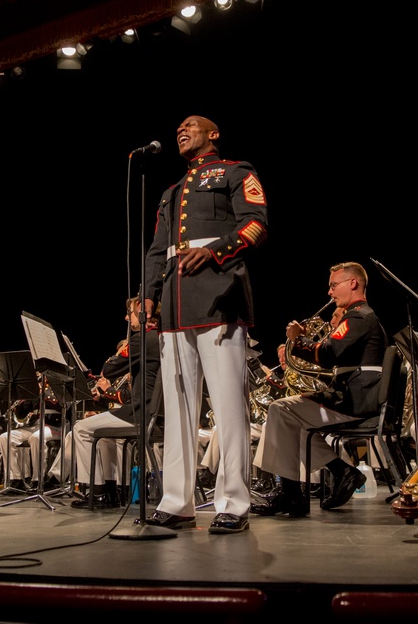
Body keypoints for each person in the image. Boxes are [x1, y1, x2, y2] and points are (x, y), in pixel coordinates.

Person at [141, 114, 268, 534]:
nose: (181, 129)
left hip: (218, 295)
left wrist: (215, 251)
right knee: (177, 409)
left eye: (191, 125)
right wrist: (147, 297)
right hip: (175, 304)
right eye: (178, 126)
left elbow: (255, 225)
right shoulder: (171, 191)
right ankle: (177, 501)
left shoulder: (236, 171)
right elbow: (158, 250)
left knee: (228, 405)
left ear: (213, 134)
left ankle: (233, 502)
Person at [251, 262, 387, 517]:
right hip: (354, 396)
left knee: (280, 410)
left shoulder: (358, 315)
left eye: (334, 285)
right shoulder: (362, 316)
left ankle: (294, 495)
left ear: (353, 283)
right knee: (293, 421)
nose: (330, 292)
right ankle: (339, 473)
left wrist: (297, 339)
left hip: (354, 400)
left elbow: (328, 354)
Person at [65, 296, 162, 510]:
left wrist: (124, 347)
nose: (126, 317)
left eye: (130, 313)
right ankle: (109, 492)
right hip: (158, 415)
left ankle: (96, 491)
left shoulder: (142, 339)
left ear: (143, 312)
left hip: (139, 412)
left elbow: (109, 370)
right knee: (106, 437)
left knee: (80, 428)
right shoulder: (163, 337)